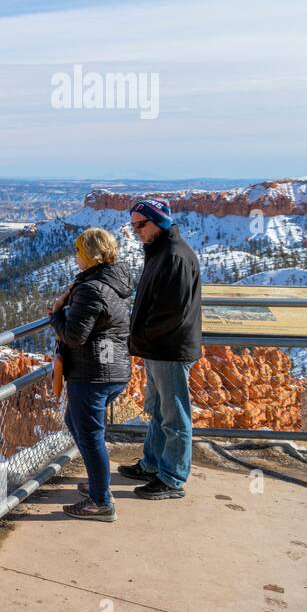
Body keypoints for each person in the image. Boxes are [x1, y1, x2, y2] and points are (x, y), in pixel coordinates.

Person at [119, 197, 203, 499]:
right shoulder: (159, 252)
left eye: (141, 225)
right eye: (133, 227)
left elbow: (172, 314)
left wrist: (141, 337)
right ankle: (153, 463)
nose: (136, 231)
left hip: (169, 349)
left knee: (174, 415)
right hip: (157, 349)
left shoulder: (174, 257)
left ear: (159, 221)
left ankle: (172, 478)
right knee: (156, 410)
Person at [50, 227, 132, 521]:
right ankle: (99, 485)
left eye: (78, 251)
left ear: (89, 254)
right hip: (113, 371)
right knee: (77, 423)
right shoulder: (112, 281)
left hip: (93, 374)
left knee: (91, 436)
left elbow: (74, 337)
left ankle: (101, 502)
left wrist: (56, 313)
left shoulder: (91, 288)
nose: (75, 257)